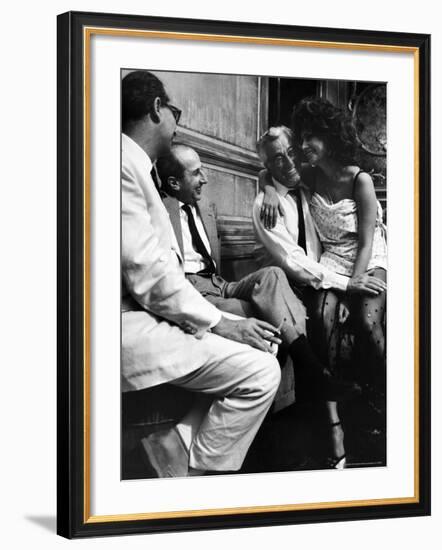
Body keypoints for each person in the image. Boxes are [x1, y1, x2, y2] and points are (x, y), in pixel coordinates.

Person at [157, 144, 361, 468]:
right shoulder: (158, 210)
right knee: (265, 315)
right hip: (192, 290)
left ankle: (306, 369)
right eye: (196, 173)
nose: (205, 179)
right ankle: (307, 380)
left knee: (272, 276)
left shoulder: (204, 205)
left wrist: (267, 183)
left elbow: (283, 168)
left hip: (220, 282)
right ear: (173, 183)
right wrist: (266, 188)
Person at [121, 70, 282, 478]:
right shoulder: (122, 165)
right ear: (157, 108)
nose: (176, 123)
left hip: (160, 310)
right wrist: (221, 323)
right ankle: (193, 480)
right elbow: (150, 274)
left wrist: (224, 322)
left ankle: (177, 447)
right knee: (263, 370)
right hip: (129, 325)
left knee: (268, 313)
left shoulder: (132, 165)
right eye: (175, 112)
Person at [252, 125, 387, 468]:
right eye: (277, 160)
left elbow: (369, 239)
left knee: (364, 323)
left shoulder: (310, 180)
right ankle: (334, 428)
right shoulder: (267, 204)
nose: (288, 163)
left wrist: (268, 179)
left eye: (291, 152)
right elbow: (295, 264)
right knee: (323, 324)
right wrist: (266, 187)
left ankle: (382, 405)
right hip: (302, 280)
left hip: (343, 269)